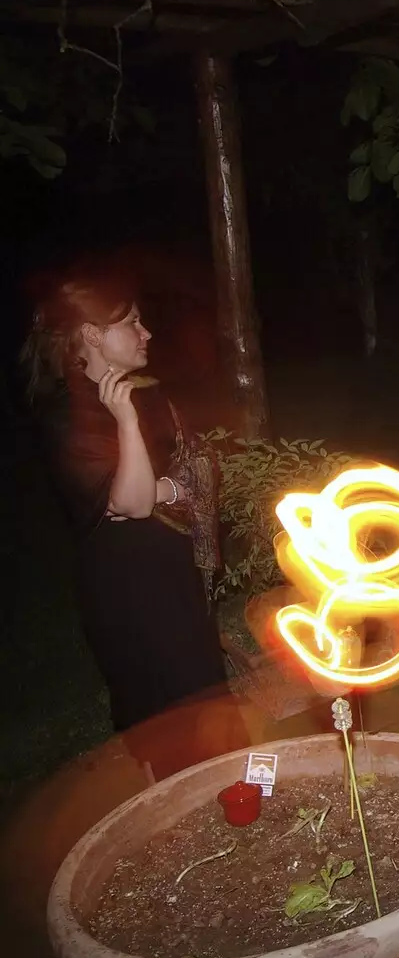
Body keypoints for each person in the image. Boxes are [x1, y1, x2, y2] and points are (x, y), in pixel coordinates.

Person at [21, 263, 239, 776]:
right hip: (129, 593)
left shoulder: (148, 393)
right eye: (133, 323)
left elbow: (193, 468)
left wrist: (176, 484)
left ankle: (238, 814)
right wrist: (132, 435)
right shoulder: (66, 414)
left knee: (211, 706)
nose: (147, 333)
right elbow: (136, 501)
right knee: (162, 724)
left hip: (173, 574)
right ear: (93, 334)